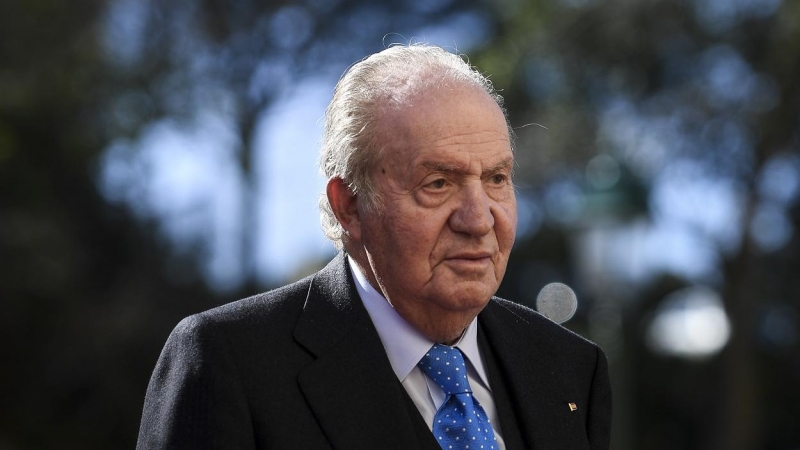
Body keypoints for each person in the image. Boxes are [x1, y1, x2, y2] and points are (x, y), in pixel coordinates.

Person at [136, 43, 612, 450]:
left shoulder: (570, 368)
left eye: (496, 179)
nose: (479, 219)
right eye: (439, 183)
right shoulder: (230, 365)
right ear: (349, 207)